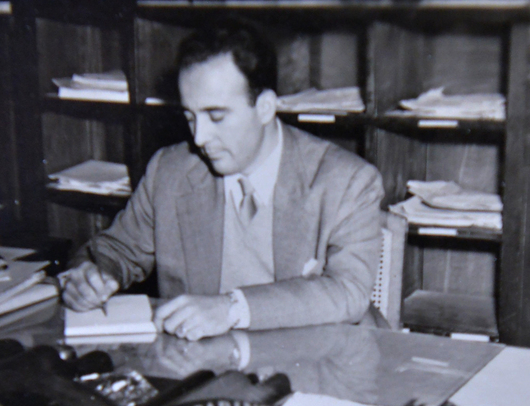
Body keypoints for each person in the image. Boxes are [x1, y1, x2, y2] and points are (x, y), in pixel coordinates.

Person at [61, 21, 384, 341]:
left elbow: (348, 290)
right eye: (190, 117)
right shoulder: (169, 171)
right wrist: (92, 276)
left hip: (311, 357)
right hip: (205, 359)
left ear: (265, 107)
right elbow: (115, 250)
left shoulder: (347, 181)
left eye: (216, 117)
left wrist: (232, 308)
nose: (200, 137)